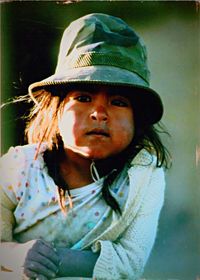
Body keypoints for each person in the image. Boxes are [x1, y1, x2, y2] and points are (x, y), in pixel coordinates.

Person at [0, 13, 170, 280]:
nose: (99, 113)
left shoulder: (143, 178)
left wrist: (57, 260)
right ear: (56, 111)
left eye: (118, 102)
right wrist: (16, 256)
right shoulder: (17, 169)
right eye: (83, 97)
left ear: (138, 120)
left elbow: (131, 263)